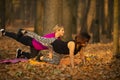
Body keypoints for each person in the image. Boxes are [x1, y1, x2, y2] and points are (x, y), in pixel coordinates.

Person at [20, 30, 91, 68]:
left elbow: (82, 56)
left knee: (56, 62)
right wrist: (72, 67)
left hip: (57, 50)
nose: (86, 43)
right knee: (39, 38)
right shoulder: (72, 44)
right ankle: (25, 32)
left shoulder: (80, 47)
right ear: (81, 40)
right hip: (53, 42)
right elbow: (71, 56)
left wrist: (84, 64)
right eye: (86, 42)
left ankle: (40, 57)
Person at [0, 24, 64, 59]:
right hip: (32, 41)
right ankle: (4, 32)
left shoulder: (58, 40)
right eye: (62, 30)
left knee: (32, 57)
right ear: (57, 30)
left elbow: (54, 48)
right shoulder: (51, 36)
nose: (63, 32)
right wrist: (50, 54)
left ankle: (20, 53)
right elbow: (46, 43)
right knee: (18, 38)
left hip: (37, 47)